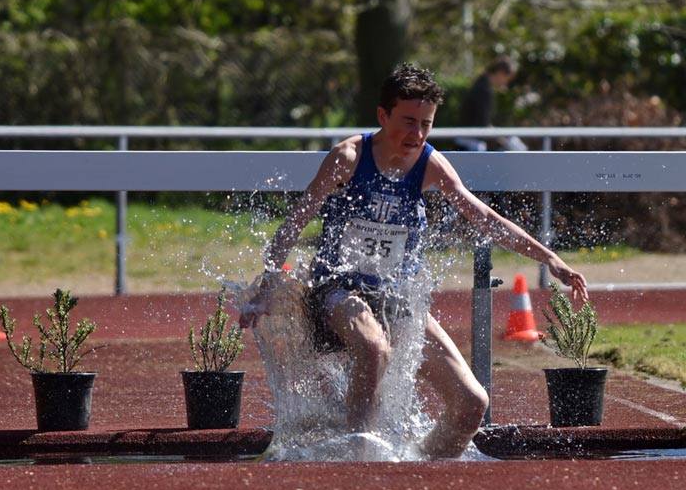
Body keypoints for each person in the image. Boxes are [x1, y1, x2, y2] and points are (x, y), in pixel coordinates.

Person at [240, 63, 588, 459]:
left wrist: (551, 259)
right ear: (382, 116)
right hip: (336, 290)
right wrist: (268, 285)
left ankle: (418, 470)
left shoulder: (431, 164)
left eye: (426, 124)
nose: (417, 134)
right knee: (374, 348)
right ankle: (361, 462)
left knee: (471, 405)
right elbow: (297, 220)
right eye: (408, 122)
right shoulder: (348, 157)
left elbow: (486, 219)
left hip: (395, 296)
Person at [456, 56, 527, 152]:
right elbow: (482, 124)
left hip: (470, 139)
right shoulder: (483, 90)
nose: (505, 83)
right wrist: (504, 141)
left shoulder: (482, 85)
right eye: (507, 78)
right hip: (471, 143)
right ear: (500, 73)